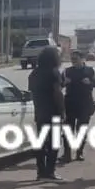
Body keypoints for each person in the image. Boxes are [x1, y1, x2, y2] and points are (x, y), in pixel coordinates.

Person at [28, 46, 66, 181]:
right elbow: (58, 93)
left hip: (40, 112)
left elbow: (33, 94)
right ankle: (50, 171)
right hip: (53, 111)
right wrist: (62, 111)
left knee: (41, 142)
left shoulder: (34, 74)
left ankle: (41, 171)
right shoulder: (54, 73)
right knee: (54, 143)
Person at [60, 51, 95, 163]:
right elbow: (58, 84)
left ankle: (79, 153)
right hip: (69, 103)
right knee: (67, 129)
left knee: (81, 129)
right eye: (72, 58)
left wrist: (90, 83)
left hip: (85, 103)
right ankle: (67, 154)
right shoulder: (67, 71)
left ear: (82, 59)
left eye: (75, 58)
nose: (73, 60)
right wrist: (64, 83)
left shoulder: (90, 70)